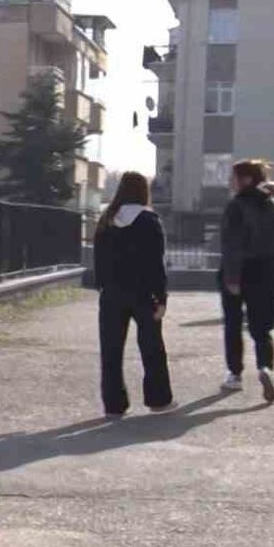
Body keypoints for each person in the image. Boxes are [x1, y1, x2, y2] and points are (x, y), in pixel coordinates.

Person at [93, 172, 174, 418]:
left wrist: (102, 285)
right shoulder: (149, 220)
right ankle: (158, 399)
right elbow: (156, 263)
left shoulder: (107, 219)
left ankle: (114, 404)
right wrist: (161, 297)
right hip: (143, 293)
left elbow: (99, 258)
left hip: (112, 293)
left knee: (111, 350)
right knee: (152, 347)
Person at [219, 160, 274, 402]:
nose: (231, 181)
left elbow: (232, 244)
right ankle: (265, 367)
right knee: (262, 327)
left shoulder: (236, 205)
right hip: (267, 270)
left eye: (234, 177)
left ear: (246, 179)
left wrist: (232, 277)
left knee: (233, 323)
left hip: (241, 270)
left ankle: (235, 373)